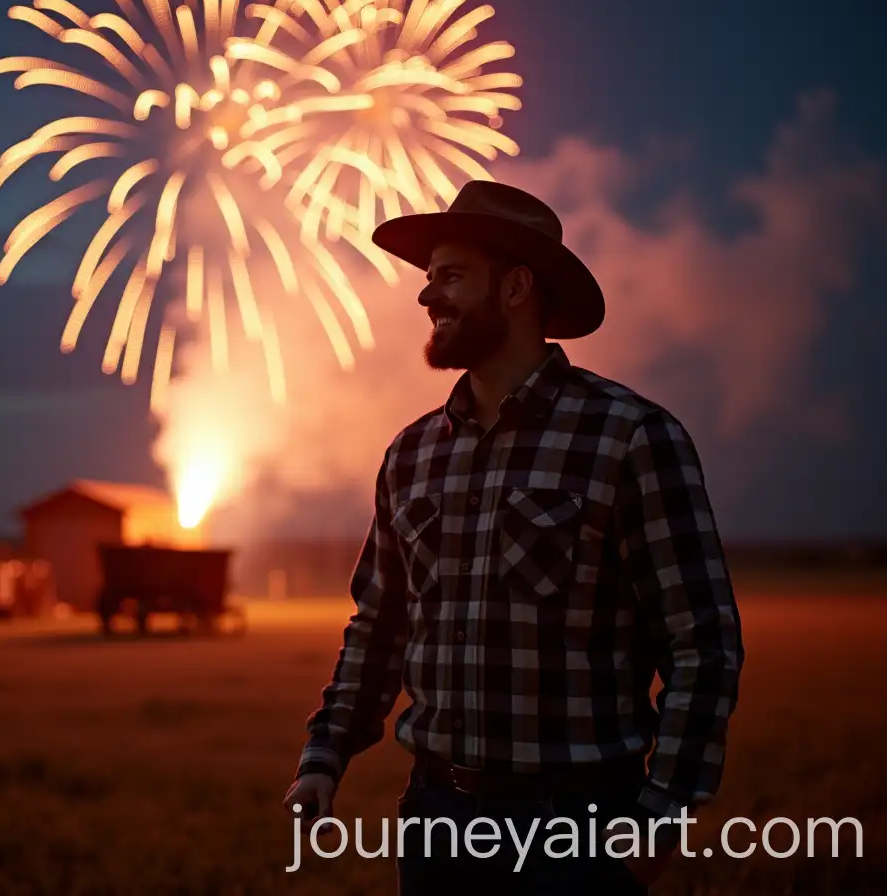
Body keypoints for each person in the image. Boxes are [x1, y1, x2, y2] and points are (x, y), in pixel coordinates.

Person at [282, 181, 745, 894]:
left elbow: (701, 641)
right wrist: (325, 755)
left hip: (580, 826)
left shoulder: (630, 436)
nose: (427, 296)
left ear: (518, 287)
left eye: (452, 275)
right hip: (435, 821)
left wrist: (661, 815)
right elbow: (378, 627)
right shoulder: (410, 455)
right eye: (429, 277)